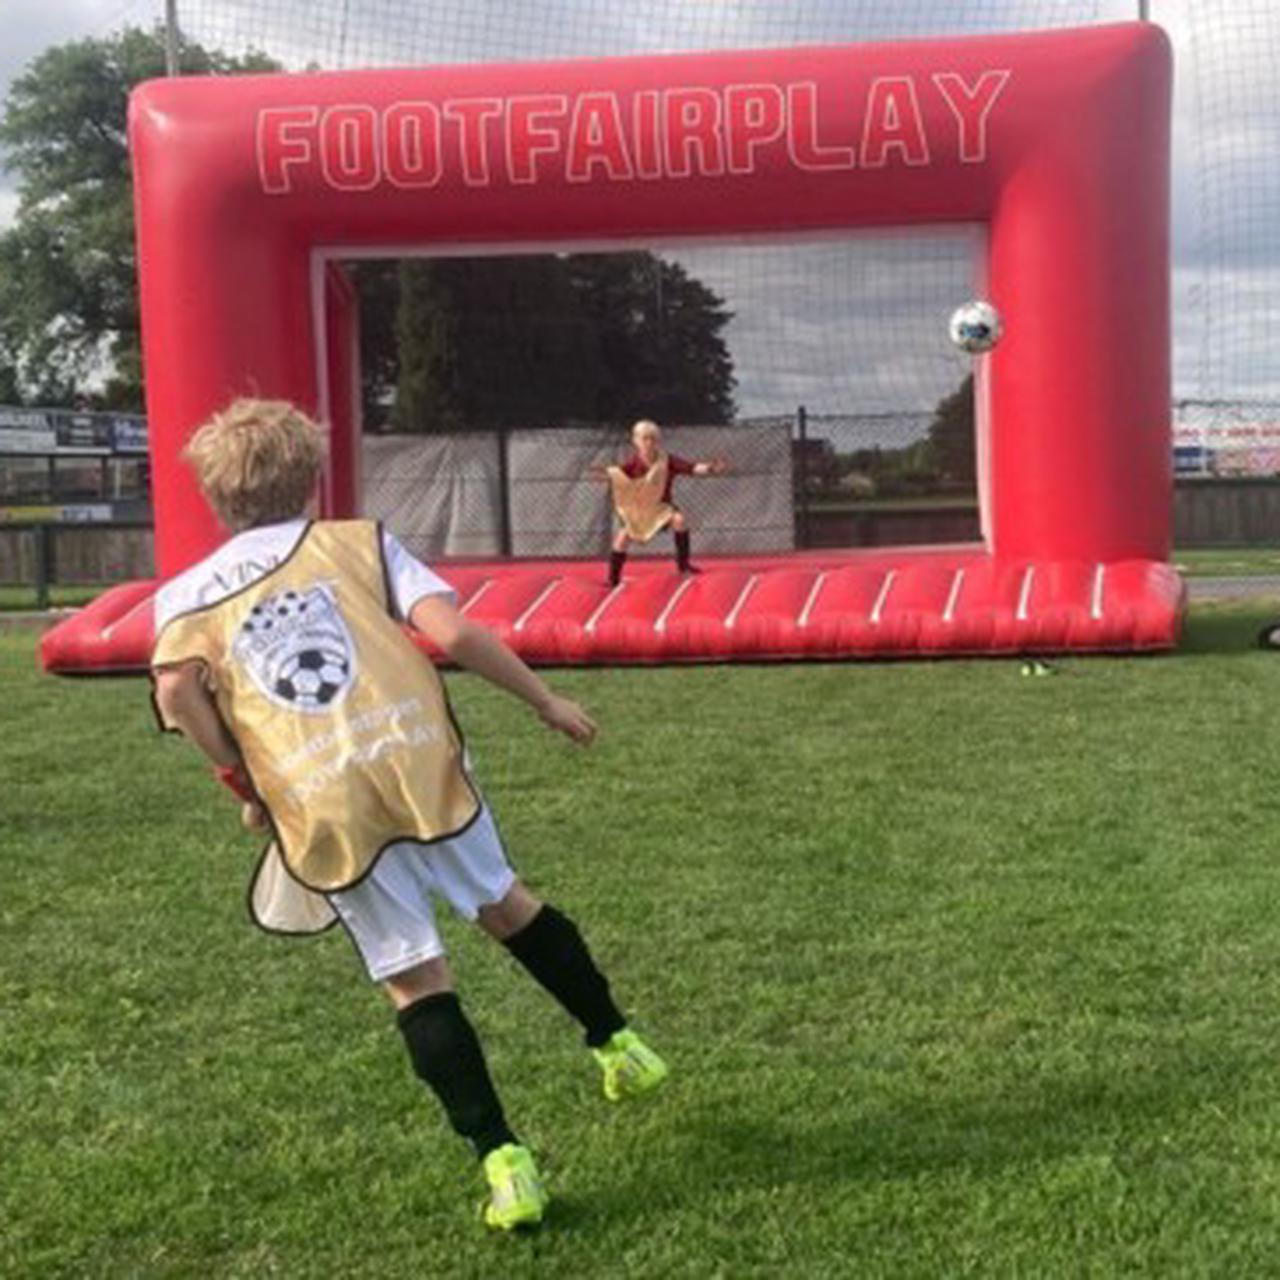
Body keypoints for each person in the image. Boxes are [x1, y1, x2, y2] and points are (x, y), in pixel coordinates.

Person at [150, 398, 667, 1233]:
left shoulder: (181, 598)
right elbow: (454, 634)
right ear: (310, 474)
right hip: (419, 757)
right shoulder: (356, 540)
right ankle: (617, 1042)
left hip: (321, 794)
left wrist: (242, 779)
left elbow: (177, 690)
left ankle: (504, 1162)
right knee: (506, 903)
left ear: (214, 495)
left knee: (413, 976)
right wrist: (544, 700)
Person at [595, 419, 728, 586]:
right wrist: (604, 474)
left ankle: (683, 565)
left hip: (662, 508)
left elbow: (691, 467)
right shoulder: (633, 464)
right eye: (644, 438)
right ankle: (613, 578)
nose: (649, 443)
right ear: (636, 441)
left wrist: (710, 468)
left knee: (679, 520)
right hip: (641, 511)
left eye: (653, 439)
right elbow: (617, 474)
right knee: (622, 538)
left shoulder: (667, 461)